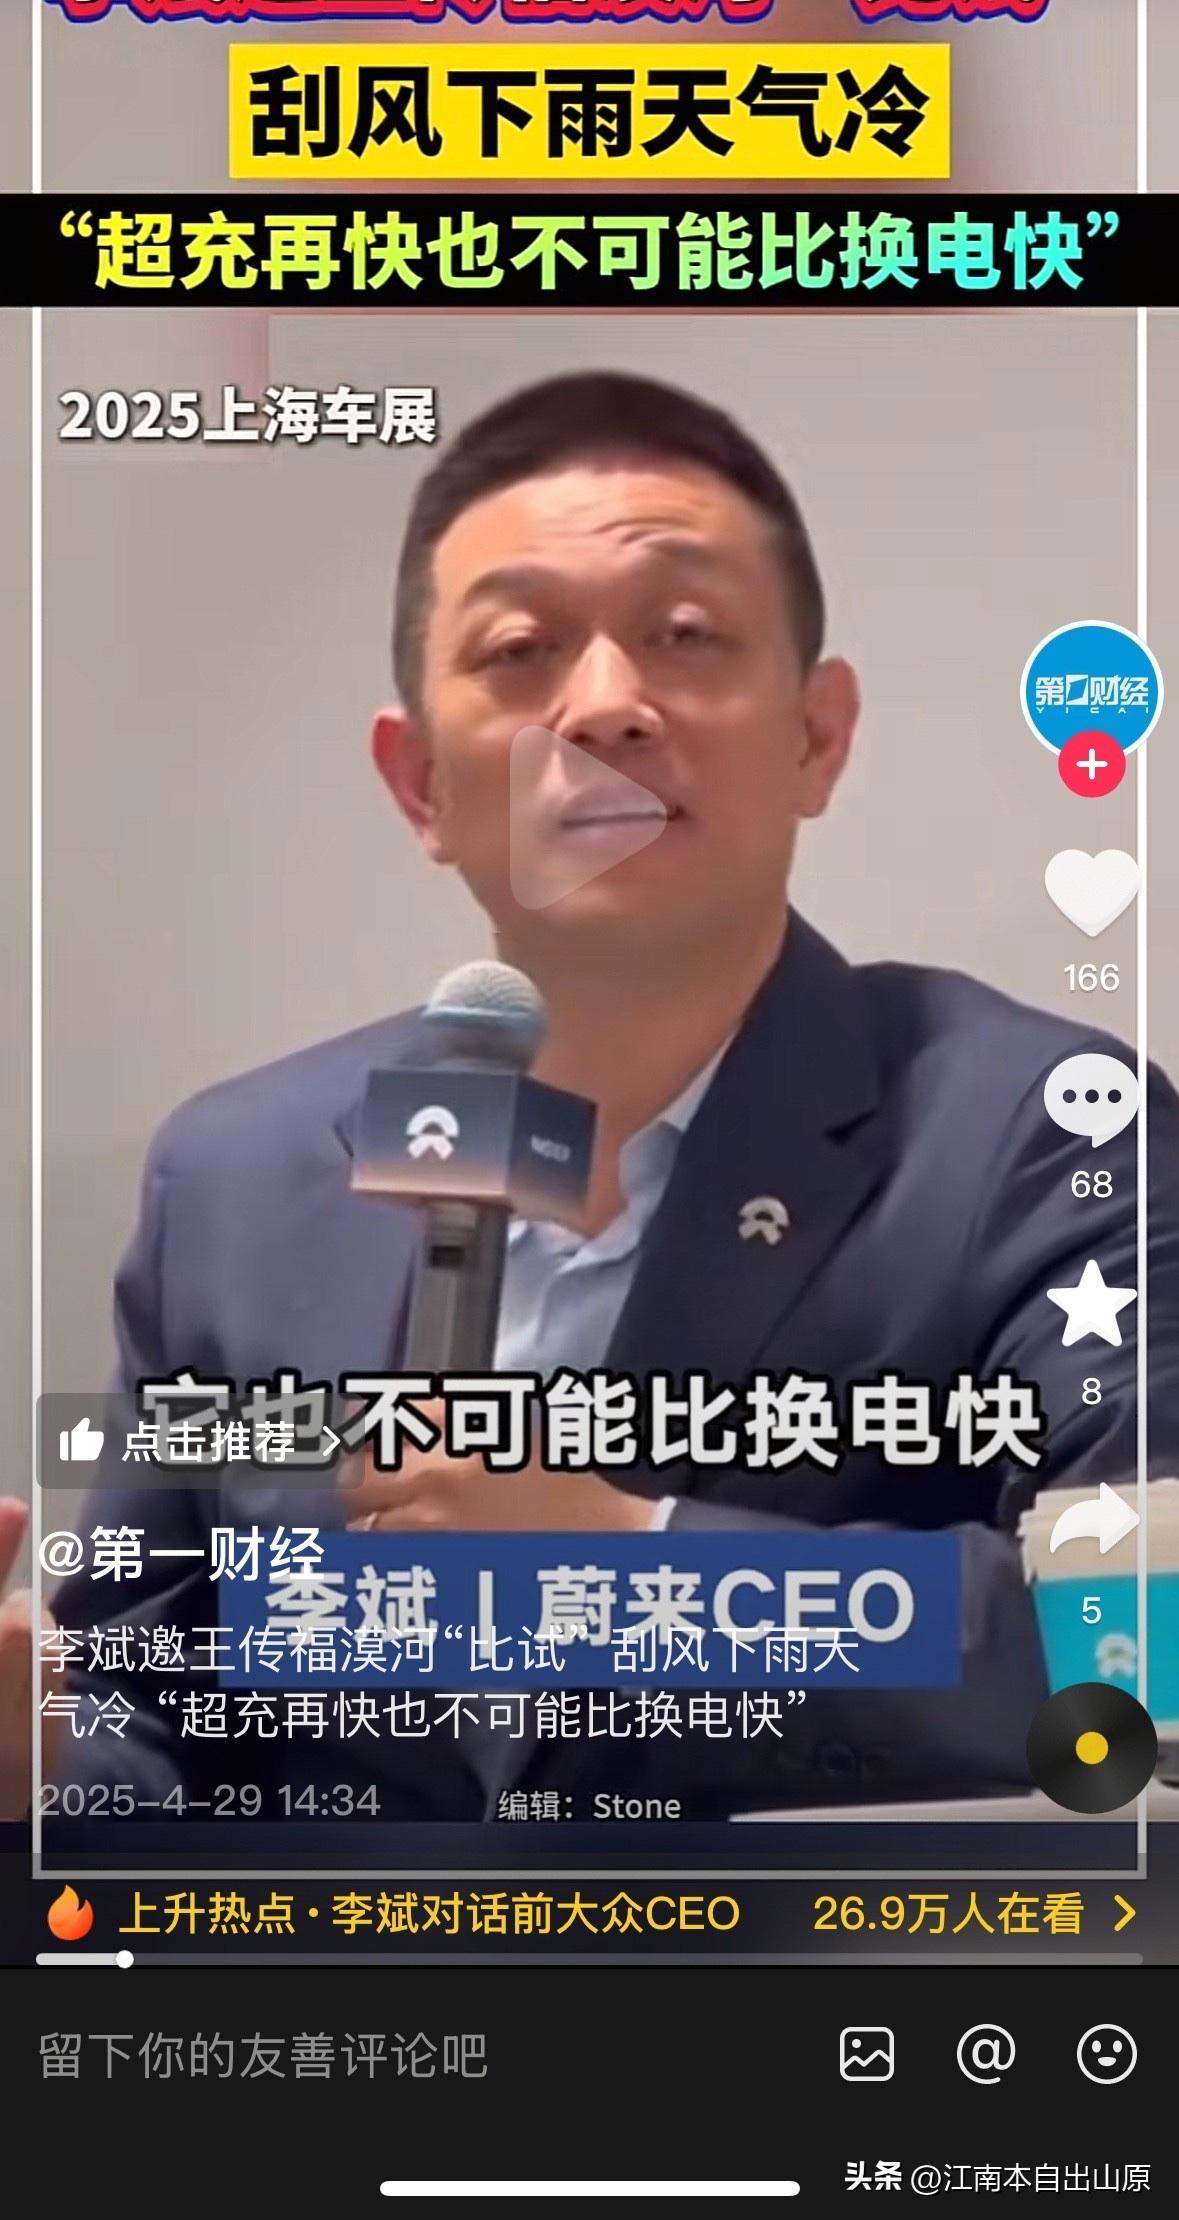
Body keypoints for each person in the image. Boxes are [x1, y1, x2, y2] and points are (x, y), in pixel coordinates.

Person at [3, 367, 1177, 1825]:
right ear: (421, 785)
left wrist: (639, 1567)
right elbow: (158, 1725)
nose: (609, 703)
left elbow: (1141, 1641)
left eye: (685, 634)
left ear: (817, 737)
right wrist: (40, 1760)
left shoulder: (1042, 1132)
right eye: (521, 648)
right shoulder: (235, 1183)